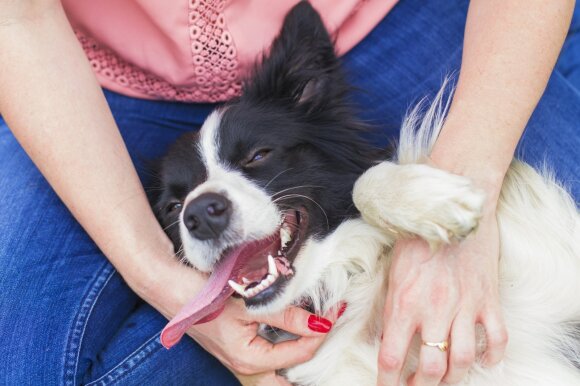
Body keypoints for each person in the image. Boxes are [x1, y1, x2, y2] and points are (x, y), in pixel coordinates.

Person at [0, 1, 577, 386]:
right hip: (91, 79)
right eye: (182, 212)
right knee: (26, 362)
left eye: (253, 163)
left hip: (383, 20)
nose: (200, 211)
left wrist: (459, 199)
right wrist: (161, 281)